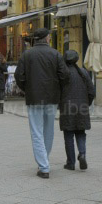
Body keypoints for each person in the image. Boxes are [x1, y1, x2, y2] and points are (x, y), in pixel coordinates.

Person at [15, 28, 70, 179]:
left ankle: (44, 165)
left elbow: (19, 76)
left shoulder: (27, 55)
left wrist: (27, 89)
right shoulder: (55, 54)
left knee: (37, 131)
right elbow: (65, 75)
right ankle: (44, 160)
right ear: (47, 38)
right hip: (52, 98)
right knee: (48, 130)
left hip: (34, 98)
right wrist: (58, 89)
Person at [60, 50, 95, 171]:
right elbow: (91, 91)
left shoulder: (62, 74)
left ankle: (70, 163)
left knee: (68, 134)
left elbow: (57, 92)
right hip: (82, 107)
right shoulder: (84, 72)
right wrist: (86, 103)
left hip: (67, 107)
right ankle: (82, 154)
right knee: (80, 132)